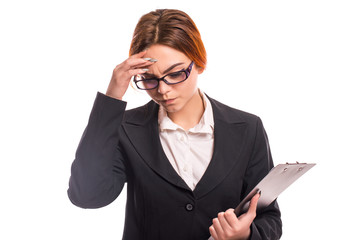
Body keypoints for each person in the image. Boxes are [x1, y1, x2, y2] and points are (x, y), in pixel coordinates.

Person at [67, 9, 282, 240]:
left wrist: (247, 234)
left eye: (176, 74)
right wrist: (111, 99)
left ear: (199, 63)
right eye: (149, 78)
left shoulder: (248, 129)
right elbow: (87, 195)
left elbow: (269, 219)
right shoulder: (127, 129)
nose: (162, 89)